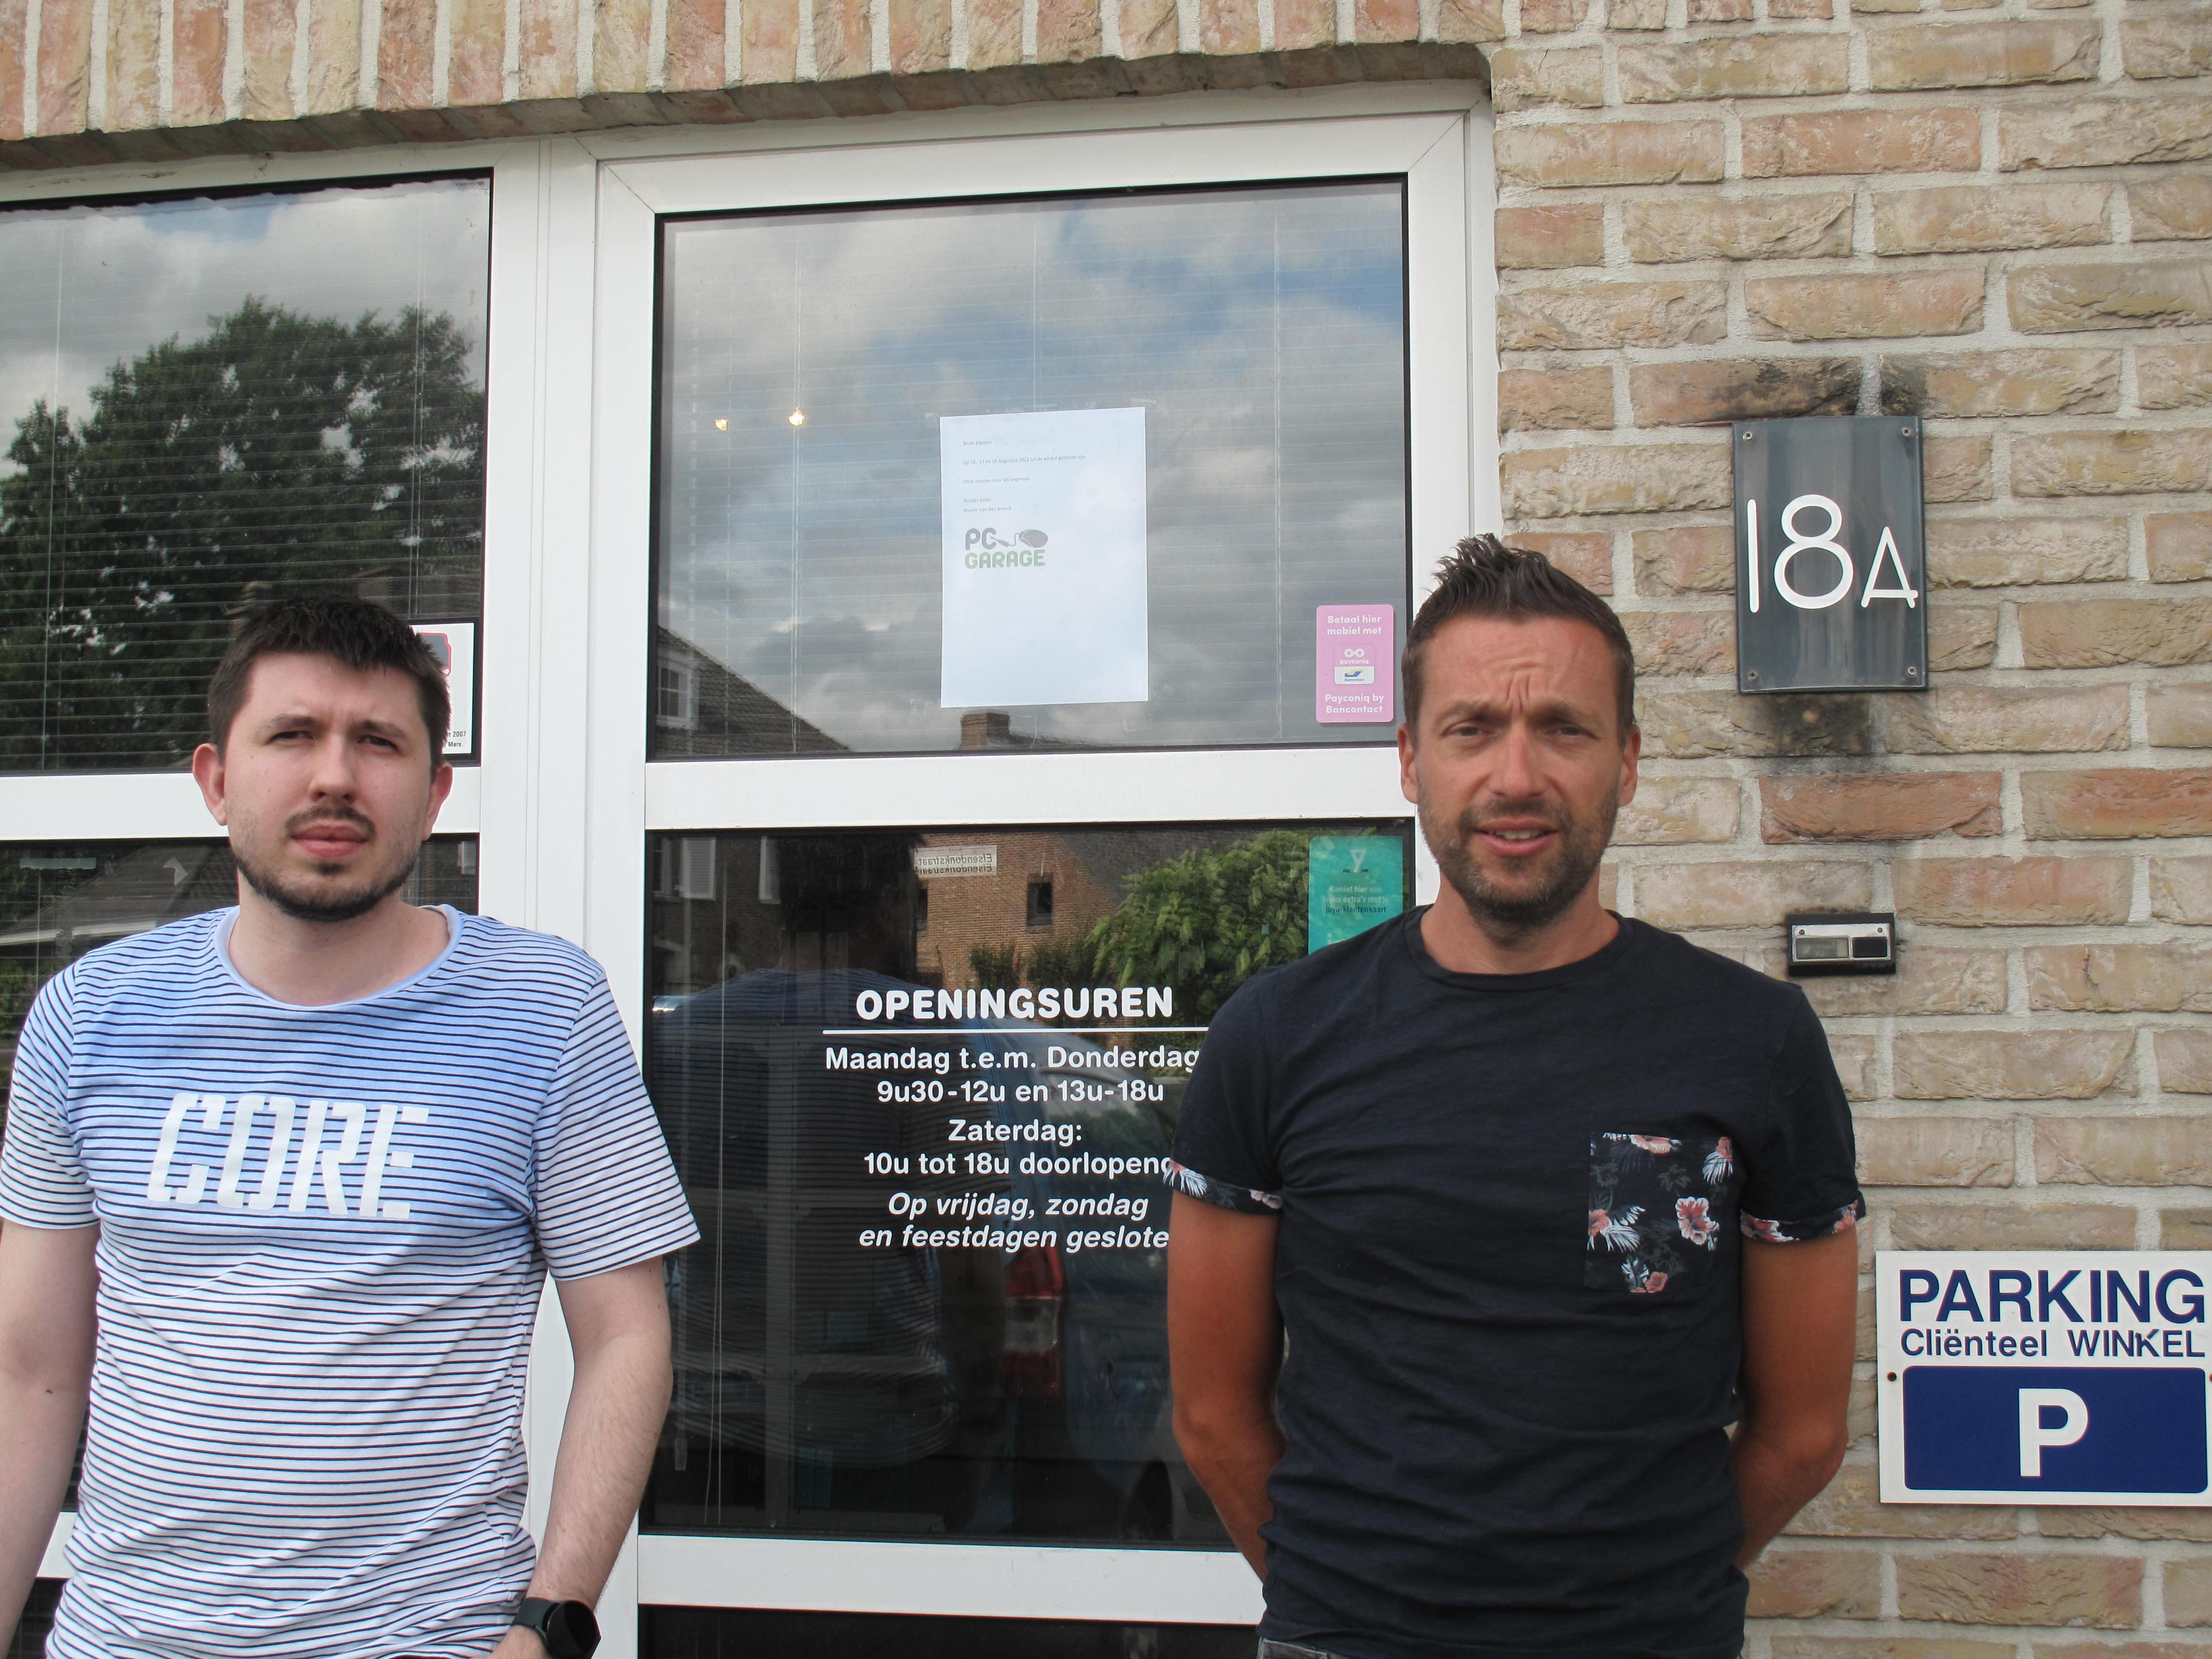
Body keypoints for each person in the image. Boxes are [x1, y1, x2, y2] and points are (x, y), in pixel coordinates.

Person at [1166, 537, 1862, 1659]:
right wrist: (1343, 1601)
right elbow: (1210, 1416)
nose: (1517, 776)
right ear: (1410, 758)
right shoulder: (1276, 1038)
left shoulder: (1756, 1040)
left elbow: (1806, 1430)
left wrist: (1650, 1594)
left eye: (1564, 730)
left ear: (1626, 761)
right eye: (1472, 728)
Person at [0, 597, 699, 1659]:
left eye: (378, 742)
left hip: (433, 1636)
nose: (335, 776)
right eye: (292, 735)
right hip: (126, 1637)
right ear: (216, 780)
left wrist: (548, 1624)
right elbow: (31, 1373)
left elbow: (625, 1339)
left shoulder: (542, 1010)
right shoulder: (91, 1013)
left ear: (435, 793)